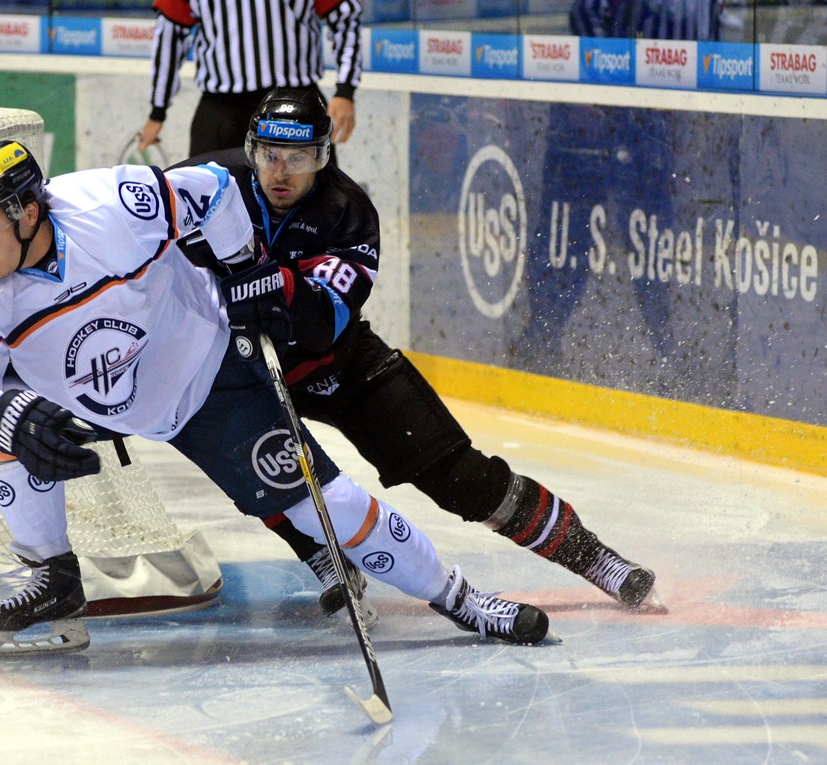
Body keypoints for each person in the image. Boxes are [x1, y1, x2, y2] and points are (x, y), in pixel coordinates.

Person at [0, 139, 552, 658]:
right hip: (89, 399)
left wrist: (241, 267)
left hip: (206, 379)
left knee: (323, 503)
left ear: (29, 212)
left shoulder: (110, 205)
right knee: (0, 426)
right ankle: (53, 576)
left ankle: (460, 598)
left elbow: (212, 188)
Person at [178, 89, 660, 616]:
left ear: (323, 156)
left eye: (300, 158)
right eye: (270, 155)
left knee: (460, 478)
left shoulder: (348, 213)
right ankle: (326, 555)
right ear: (250, 150)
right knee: (258, 469)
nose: (282, 172)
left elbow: (321, 326)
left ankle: (596, 559)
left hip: (340, 366)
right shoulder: (205, 186)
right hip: (252, 374)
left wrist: (281, 289)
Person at [137, 0, 362, 159]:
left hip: (295, 103)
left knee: (314, 202)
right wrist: (157, 111)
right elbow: (170, 37)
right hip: (222, 108)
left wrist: (345, 91)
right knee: (203, 201)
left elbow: (345, 18)